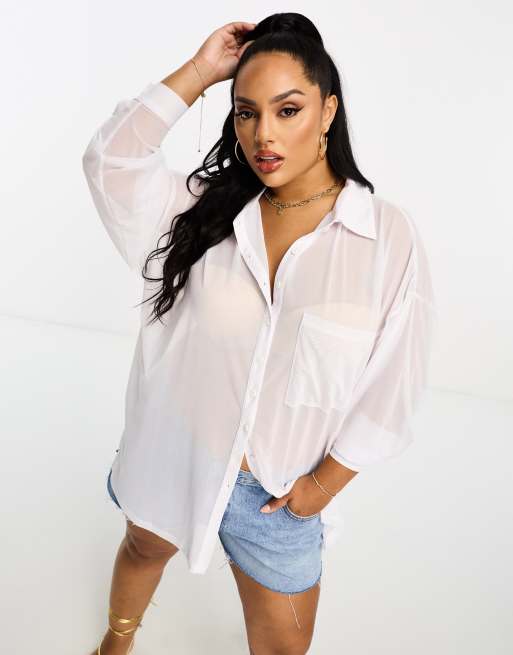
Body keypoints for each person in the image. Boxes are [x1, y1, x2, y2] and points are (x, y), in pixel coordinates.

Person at [82, 12, 436, 655]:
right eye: (246, 113)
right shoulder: (202, 211)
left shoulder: (385, 238)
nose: (263, 134)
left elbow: (394, 383)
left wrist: (318, 490)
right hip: (176, 453)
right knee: (141, 548)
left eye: (287, 110)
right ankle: (117, 640)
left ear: (328, 111)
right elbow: (111, 161)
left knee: (283, 648)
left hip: (280, 494)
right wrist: (200, 72)